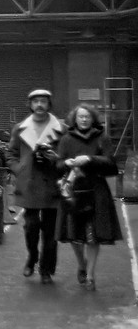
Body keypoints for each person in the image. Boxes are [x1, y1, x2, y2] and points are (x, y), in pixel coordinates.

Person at [55, 104, 122, 291]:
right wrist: (66, 163)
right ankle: (82, 264)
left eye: (87, 116)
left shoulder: (102, 138)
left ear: (93, 118)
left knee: (93, 237)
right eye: (80, 116)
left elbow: (112, 165)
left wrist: (90, 159)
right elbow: (58, 166)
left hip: (96, 191)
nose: (84, 120)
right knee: (74, 236)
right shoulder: (66, 139)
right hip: (73, 191)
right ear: (74, 119)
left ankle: (90, 276)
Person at [5, 88, 66, 284]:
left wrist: (57, 160)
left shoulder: (61, 129)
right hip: (29, 183)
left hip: (52, 183)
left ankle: (46, 269)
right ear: (30, 105)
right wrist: (19, 169)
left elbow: (68, 156)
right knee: (30, 227)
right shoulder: (20, 129)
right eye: (36, 101)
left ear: (49, 105)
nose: (39, 105)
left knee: (50, 231)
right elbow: (10, 154)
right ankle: (32, 257)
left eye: (43, 101)